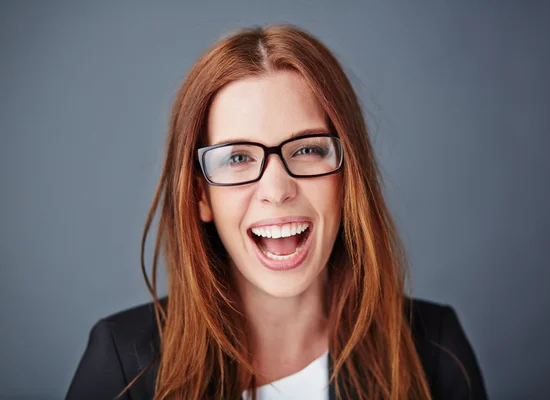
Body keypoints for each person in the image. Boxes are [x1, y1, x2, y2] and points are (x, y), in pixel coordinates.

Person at [66, 25, 488, 400]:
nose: (276, 190)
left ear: (348, 176)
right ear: (200, 195)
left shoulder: (434, 348)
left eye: (306, 149)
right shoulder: (122, 363)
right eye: (237, 158)